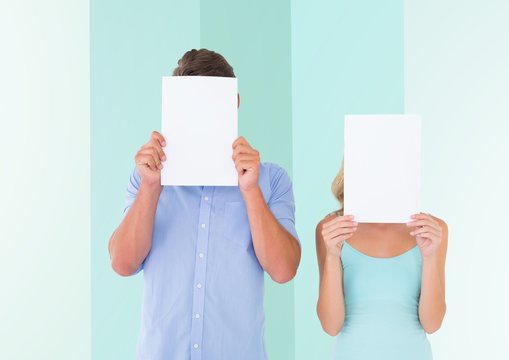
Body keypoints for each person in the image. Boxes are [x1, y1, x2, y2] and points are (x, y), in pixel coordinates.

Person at [108, 49, 301, 360]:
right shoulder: (147, 177)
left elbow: (283, 270)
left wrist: (250, 191)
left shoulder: (271, 180)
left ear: (234, 103)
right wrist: (150, 187)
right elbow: (122, 263)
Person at [316, 161, 448, 359]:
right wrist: (333, 256)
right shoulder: (331, 229)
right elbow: (330, 325)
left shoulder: (431, 230)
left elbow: (433, 323)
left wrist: (429, 257)